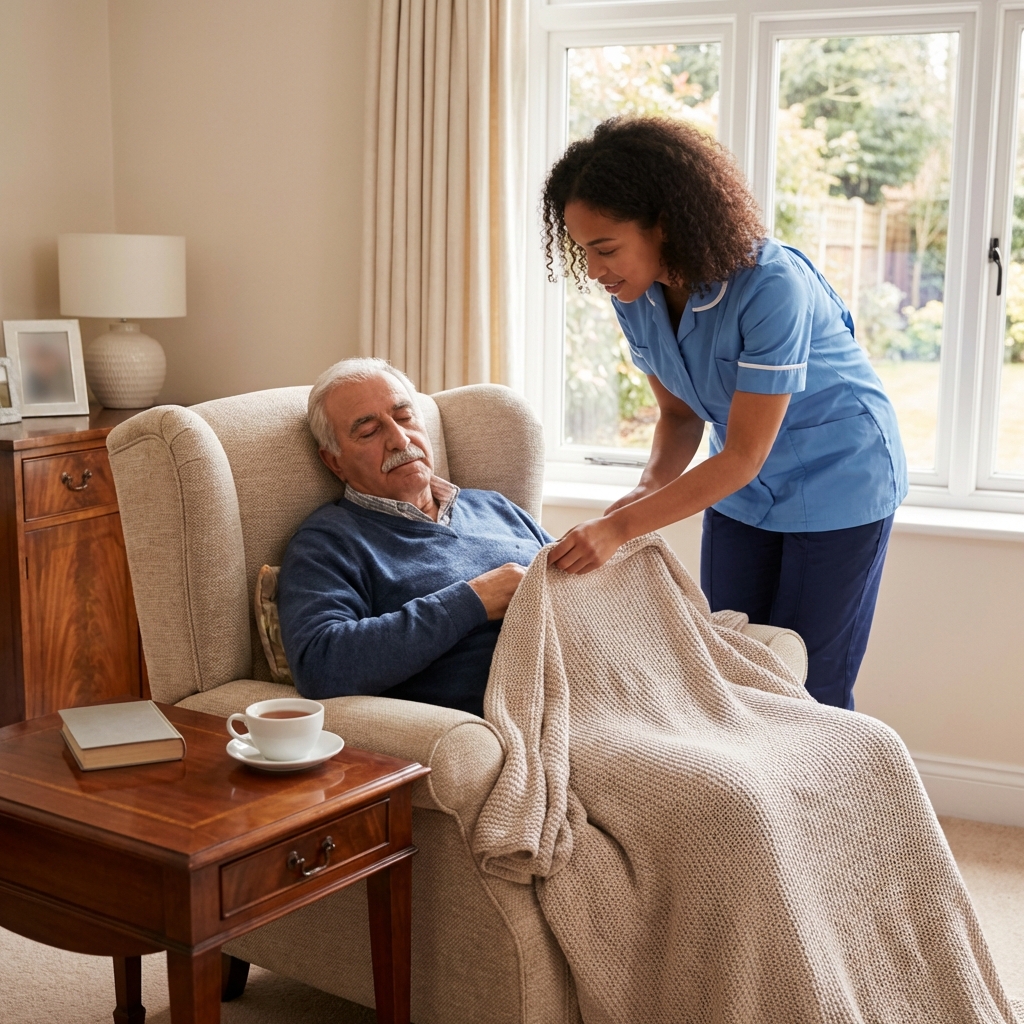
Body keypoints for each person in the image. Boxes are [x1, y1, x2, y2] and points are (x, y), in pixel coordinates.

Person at [542, 115, 908, 710]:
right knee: (730, 665)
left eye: (605, 248)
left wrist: (618, 529)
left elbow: (742, 453)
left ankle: (823, 804)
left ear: (664, 224)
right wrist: (648, 487)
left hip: (841, 479)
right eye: (583, 250)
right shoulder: (636, 296)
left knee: (808, 685)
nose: (595, 269)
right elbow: (681, 415)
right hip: (743, 489)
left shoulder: (770, 285)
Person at [277, 358, 552, 717]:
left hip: (600, 679)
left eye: (405, 417)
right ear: (334, 462)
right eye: (369, 431)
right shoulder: (328, 542)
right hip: (519, 714)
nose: (399, 439)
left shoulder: (494, 505)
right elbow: (320, 663)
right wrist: (473, 601)